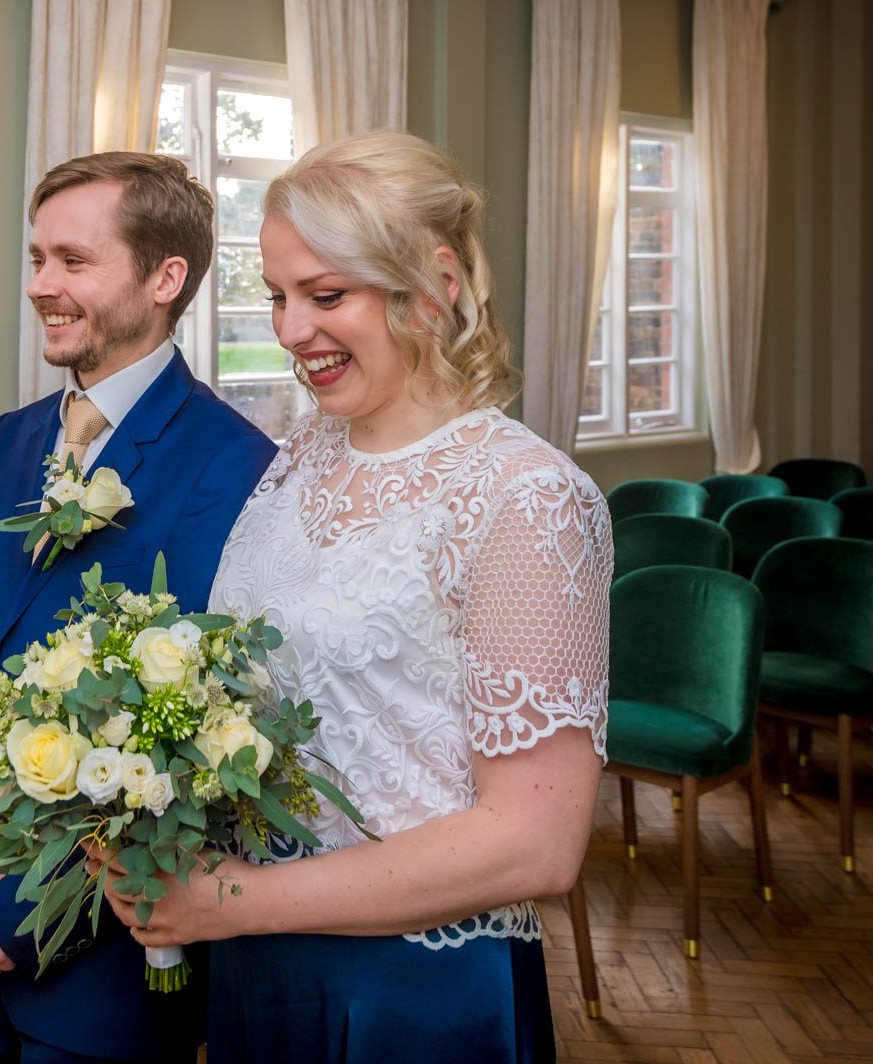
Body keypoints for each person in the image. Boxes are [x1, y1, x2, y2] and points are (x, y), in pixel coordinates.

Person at [95, 131, 612, 1062]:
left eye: (327, 295)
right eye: (280, 297)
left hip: (416, 990)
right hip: (262, 961)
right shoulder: (304, 453)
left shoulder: (525, 497)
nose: (291, 332)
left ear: (437, 282)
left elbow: (535, 844)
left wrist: (231, 901)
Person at [0, 151, 278, 1064]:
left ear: (164, 278)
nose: (41, 285)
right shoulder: (7, 442)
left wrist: (5, 914)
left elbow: (182, 743)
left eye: (72, 261)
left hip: (99, 959)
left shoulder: (235, 468)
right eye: (36, 260)